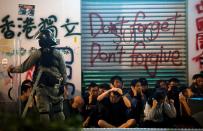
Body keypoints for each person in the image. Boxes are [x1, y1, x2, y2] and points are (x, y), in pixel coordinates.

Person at [7, 29, 67, 122]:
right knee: (58, 111)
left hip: (41, 87)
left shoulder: (37, 53)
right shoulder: (58, 54)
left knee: (44, 112)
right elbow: (64, 73)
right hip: (55, 87)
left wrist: (12, 69)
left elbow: (24, 67)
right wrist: (63, 85)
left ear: (42, 40)